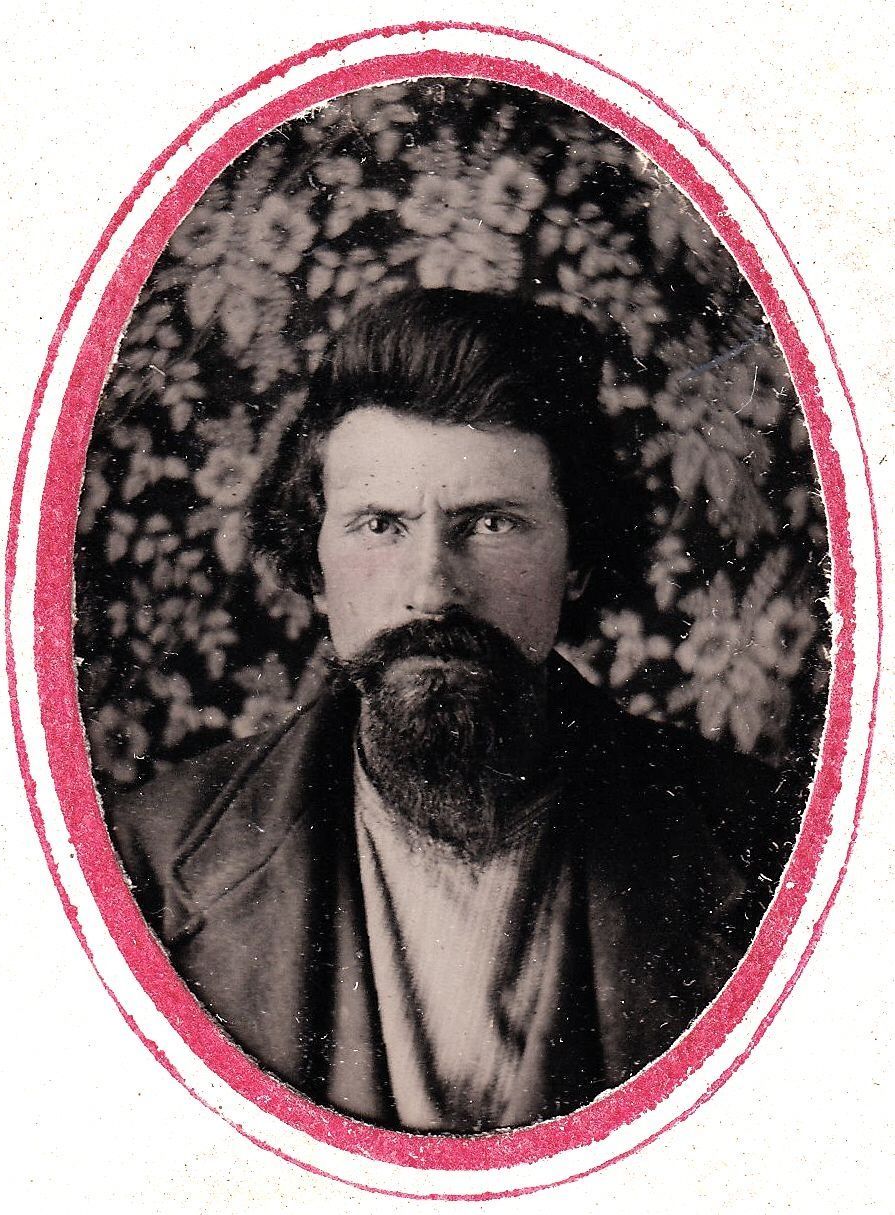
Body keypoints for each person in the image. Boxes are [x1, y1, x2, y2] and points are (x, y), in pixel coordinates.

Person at [110, 289, 800, 1133]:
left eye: (492, 523)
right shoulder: (142, 862)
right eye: (379, 525)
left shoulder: (768, 840)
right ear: (316, 568)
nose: (433, 589)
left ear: (577, 559)